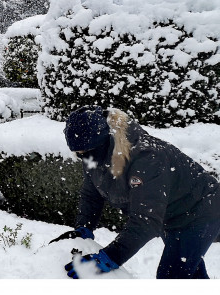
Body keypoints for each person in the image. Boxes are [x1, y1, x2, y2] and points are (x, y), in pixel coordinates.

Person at [53, 105, 220, 279]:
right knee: (189, 274)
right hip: (170, 214)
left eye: (87, 152)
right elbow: (91, 194)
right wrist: (83, 228)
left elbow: (146, 220)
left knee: (172, 275)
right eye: (78, 153)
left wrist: (111, 256)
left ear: (103, 140)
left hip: (200, 209)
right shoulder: (95, 155)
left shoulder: (146, 159)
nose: (84, 158)